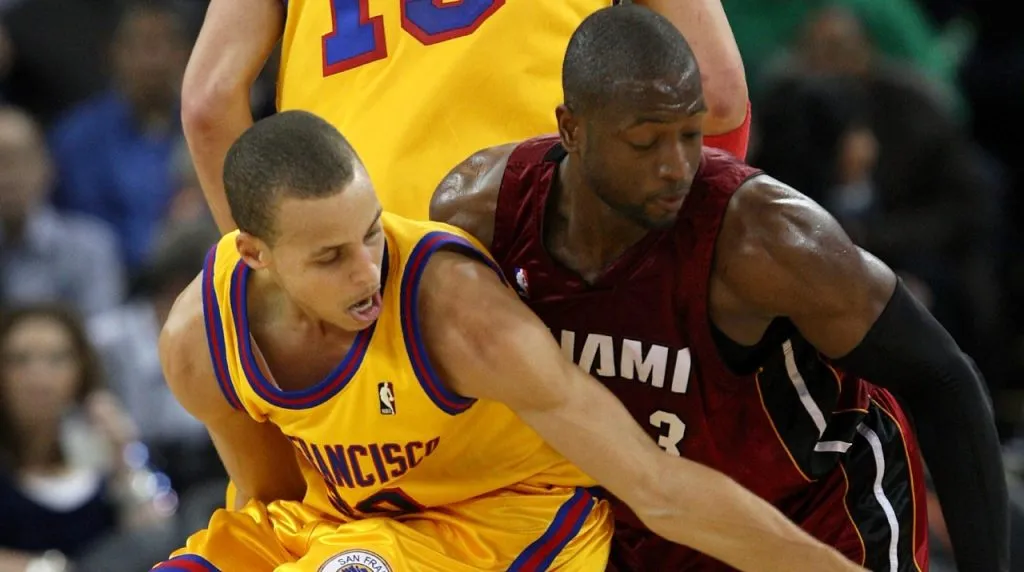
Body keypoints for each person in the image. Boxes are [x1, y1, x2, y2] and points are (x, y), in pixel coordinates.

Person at [153, 110, 864, 571]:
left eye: (370, 232)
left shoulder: (456, 313)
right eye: (331, 257)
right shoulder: (199, 343)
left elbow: (657, 487)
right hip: (345, 529)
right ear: (255, 255)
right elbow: (273, 501)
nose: (368, 272)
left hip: (508, 523)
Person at [430, 5, 1009, 572]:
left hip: (821, 515)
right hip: (651, 523)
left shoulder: (766, 239)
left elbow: (944, 379)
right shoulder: (482, 214)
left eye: (690, 134)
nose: (676, 167)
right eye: (646, 142)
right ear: (571, 129)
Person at [180, 0, 749, 227]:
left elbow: (208, 103)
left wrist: (279, 265)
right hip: (544, 245)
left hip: (359, 259)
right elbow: (718, 96)